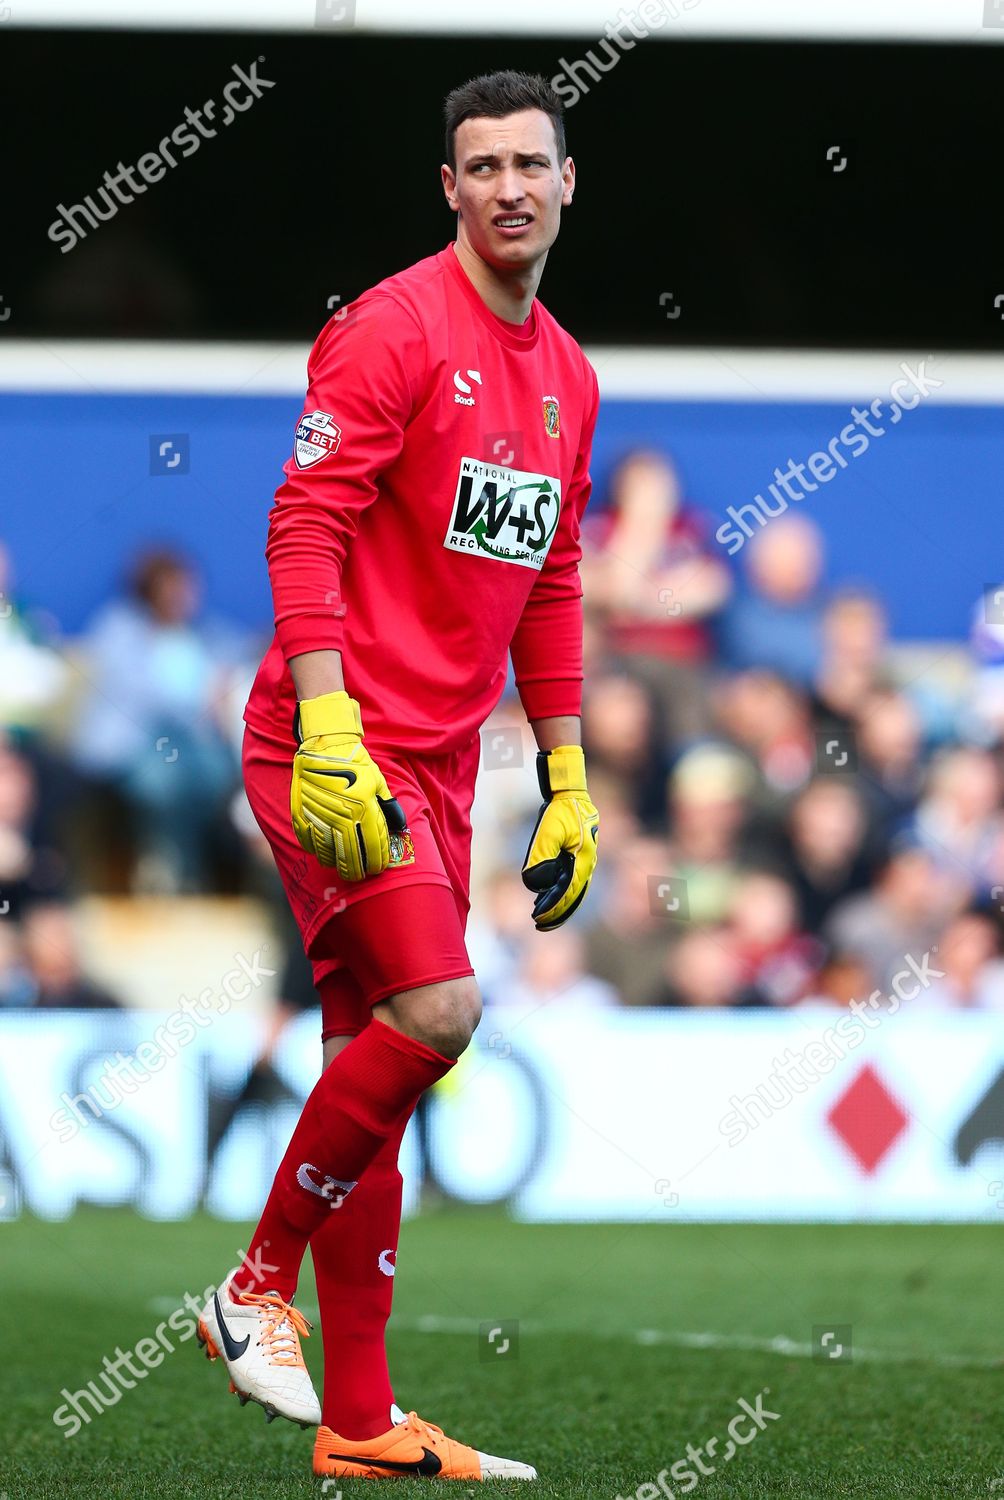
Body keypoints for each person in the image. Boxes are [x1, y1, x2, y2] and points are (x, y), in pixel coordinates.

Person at [196, 72, 600, 1484]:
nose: (508, 187)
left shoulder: (570, 379)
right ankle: (251, 1290)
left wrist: (566, 776)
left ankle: (361, 1427)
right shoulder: (390, 327)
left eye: (529, 164)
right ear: (448, 187)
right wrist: (324, 728)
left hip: (437, 763)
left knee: (372, 1057)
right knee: (438, 1011)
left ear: (566, 180)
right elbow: (302, 528)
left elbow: (549, 583)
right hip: (333, 743)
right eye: (480, 165)